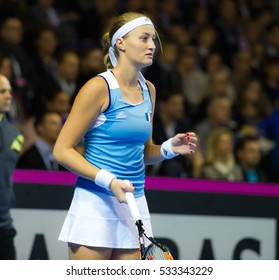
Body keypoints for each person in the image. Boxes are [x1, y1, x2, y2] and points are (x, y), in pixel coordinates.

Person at [53, 12, 198, 260]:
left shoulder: (149, 90)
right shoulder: (98, 88)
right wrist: (109, 181)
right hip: (95, 204)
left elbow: (142, 153)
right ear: (120, 43)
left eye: (153, 39)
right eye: (144, 38)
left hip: (134, 205)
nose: (152, 45)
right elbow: (62, 150)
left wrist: (168, 148)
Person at [0, 74, 24, 259]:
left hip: (3, 223)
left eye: (9, 91)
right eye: (2, 91)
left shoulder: (15, 135)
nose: (9, 95)